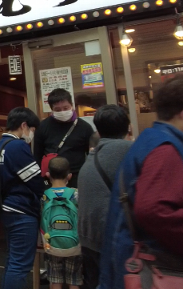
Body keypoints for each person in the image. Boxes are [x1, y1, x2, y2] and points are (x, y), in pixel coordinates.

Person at [100, 77, 183, 289]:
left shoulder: (151, 140)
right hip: (156, 268)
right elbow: (153, 210)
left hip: (132, 262)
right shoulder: (165, 149)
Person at [77, 104, 132, 289]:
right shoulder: (129, 152)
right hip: (112, 240)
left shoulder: (92, 157)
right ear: (128, 128)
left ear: (98, 131)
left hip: (87, 238)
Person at [0, 107, 43, 289]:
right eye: (32, 130)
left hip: (7, 208)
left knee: (13, 259)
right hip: (21, 210)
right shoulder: (17, 146)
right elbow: (35, 181)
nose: (31, 134)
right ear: (24, 125)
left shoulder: (1, 145)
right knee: (20, 265)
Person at [33, 89, 94, 188]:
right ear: (51, 109)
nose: (62, 112)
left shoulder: (84, 127)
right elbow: (37, 155)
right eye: (57, 109)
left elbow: (92, 155)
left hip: (77, 177)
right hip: (51, 179)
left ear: (72, 105)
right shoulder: (43, 126)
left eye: (66, 108)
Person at [42, 157, 82, 289]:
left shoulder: (44, 196)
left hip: (51, 244)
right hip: (74, 244)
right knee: (74, 279)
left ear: (48, 175)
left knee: (55, 279)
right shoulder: (75, 194)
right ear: (69, 176)